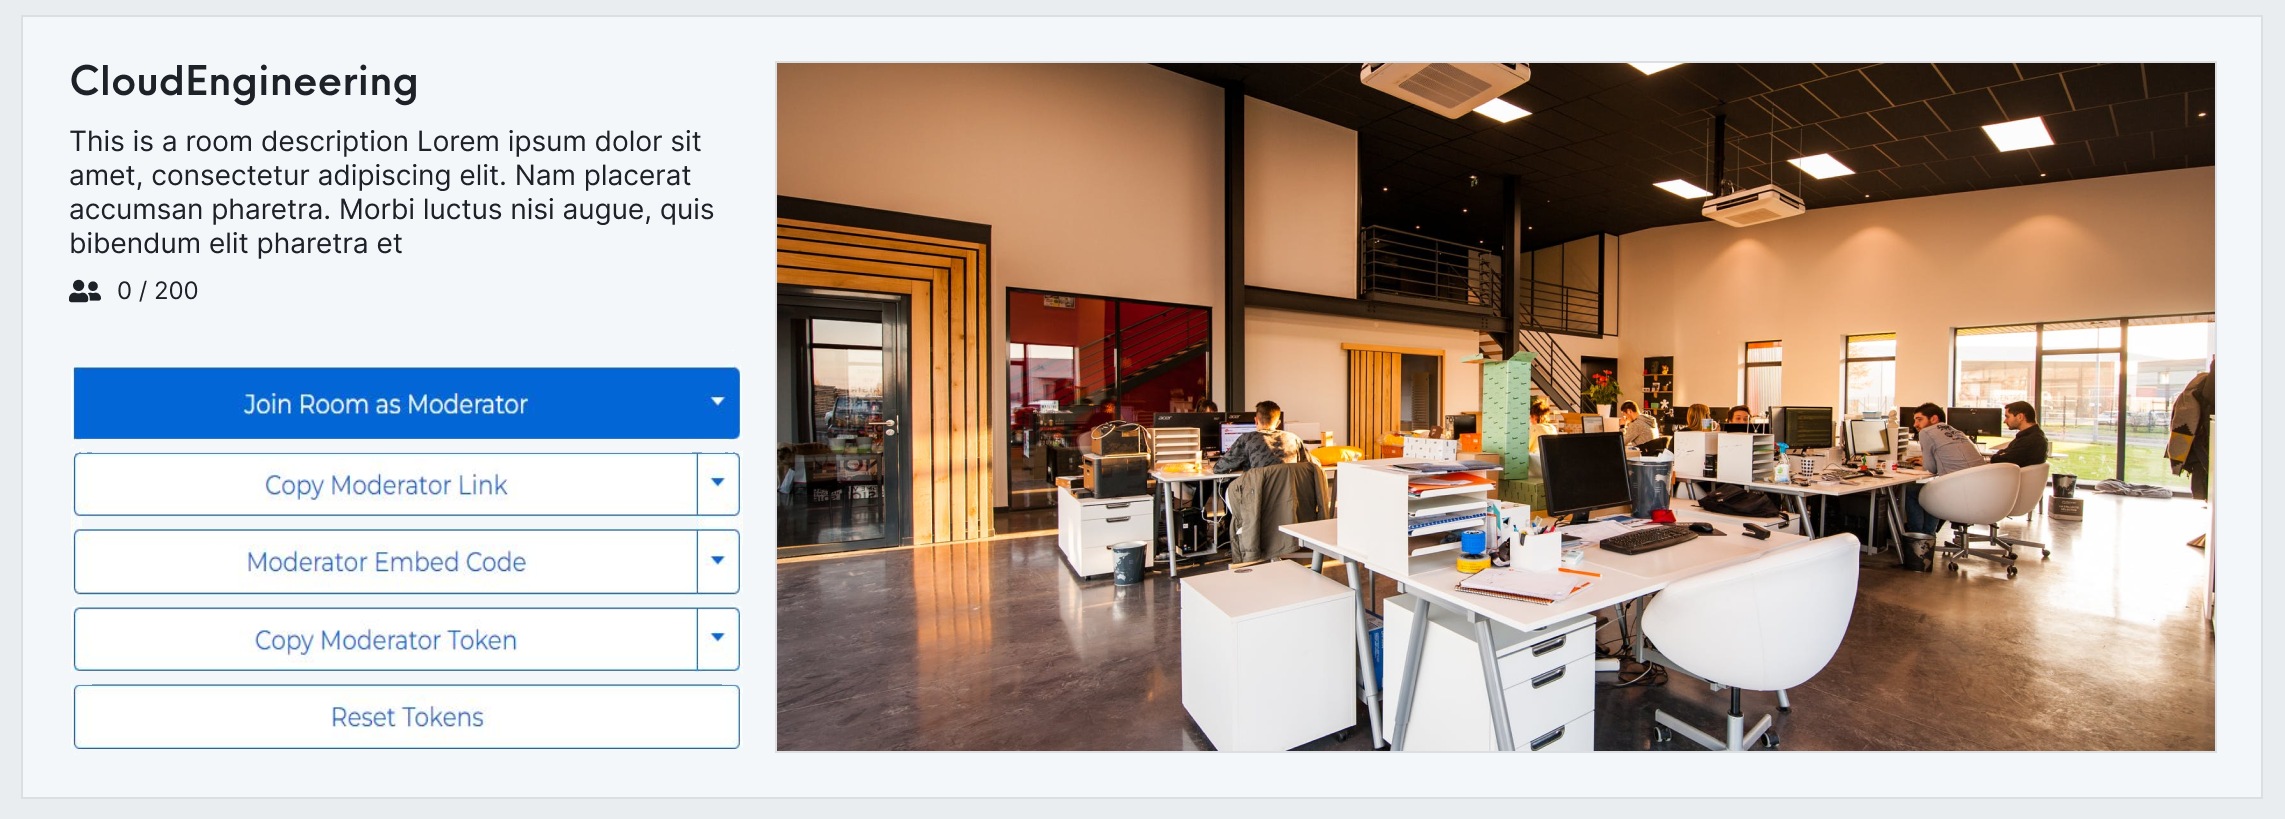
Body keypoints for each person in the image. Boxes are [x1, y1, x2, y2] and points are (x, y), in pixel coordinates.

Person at [1898, 403, 1985, 569]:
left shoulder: (1926, 432)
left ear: (1934, 419)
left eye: (1919, 419)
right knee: (1932, 491)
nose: (1915, 424)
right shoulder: (1956, 432)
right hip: (1978, 491)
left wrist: (1925, 461)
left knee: (1911, 490)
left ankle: (1918, 538)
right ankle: (1929, 537)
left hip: (1956, 492)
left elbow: (1931, 468)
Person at [1214, 400, 1304, 473]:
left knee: (1229, 488)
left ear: (1256, 420)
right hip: (1288, 490)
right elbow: (1310, 466)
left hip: (1258, 490)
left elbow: (1219, 468)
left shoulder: (1246, 439)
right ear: (1278, 423)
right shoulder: (1294, 439)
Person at [1988, 400, 2049, 469]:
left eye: (2007, 417)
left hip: (2011, 475)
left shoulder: (2031, 440)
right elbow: (2004, 453)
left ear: (2020, 417)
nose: (2005, 421)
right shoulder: (2031, 436)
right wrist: (2002, 454)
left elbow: (2002, 460)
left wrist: (1996, 457)